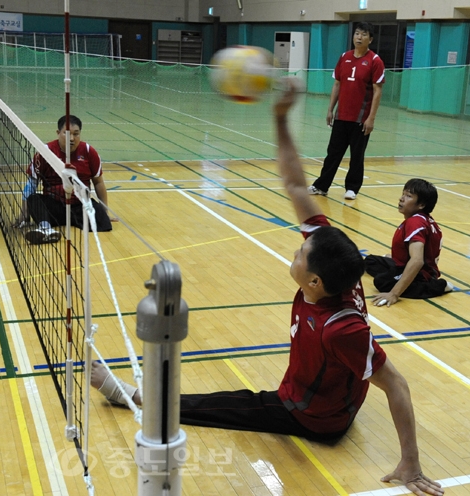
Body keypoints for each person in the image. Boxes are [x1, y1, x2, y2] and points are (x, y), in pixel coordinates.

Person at [91, 82, 444, 496]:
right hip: (331, 388)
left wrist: (411, 462)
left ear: (314, 281)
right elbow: (296, 184)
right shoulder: (333, 258)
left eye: (300, 253)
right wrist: (279, 117)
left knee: (226, 405)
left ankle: (130, 396)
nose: (297, 249)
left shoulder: (341, 328)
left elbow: (397, 384)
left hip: (314, 415)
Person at [308, 22, 385, 201]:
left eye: (363, 34)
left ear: (370, 39)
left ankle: (352, 188)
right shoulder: (344, 57)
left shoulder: (375, 61)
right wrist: (330, 109)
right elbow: (337, 84)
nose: (359, 37)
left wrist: (371, 118)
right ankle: (321, 186)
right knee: (333, 153)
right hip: (342, 116)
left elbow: (377, 91)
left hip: (360, 118)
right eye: (357, 33)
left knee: (357, 156)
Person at [19, 115, 117, 244]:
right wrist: (24, 214)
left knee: (104, 223)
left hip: (79, 206)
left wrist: (105, 211)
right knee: (34, 199)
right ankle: (46, 229)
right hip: (54, 206)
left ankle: (66, 222)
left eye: (76, 134)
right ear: (58, 133)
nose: (72, 138)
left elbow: (98, 182)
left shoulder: (88, 151)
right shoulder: (45, 152)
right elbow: (32, 182)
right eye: (67, 134)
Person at [365, 179, 451, 307]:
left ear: (421, 205)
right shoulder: (423, 219)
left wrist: (394, 293)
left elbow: (417, 261)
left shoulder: (415, 223)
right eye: (403, 194)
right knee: (371, 261)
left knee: (382, 282)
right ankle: (399, 274)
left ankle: (439, 286)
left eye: (408, 196)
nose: (401, 199)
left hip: (421, 273)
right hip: (406, 265)